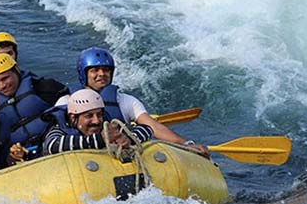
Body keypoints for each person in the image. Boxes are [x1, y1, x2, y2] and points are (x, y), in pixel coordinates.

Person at [76, 47, 208, 155]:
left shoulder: (126, 101)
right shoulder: (70, 102)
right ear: (84, 74)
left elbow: (153, 126)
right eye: (95, 70)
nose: (101, 74)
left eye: (106, 70)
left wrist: (186, 144)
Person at [0, 53, 68, 152]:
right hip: (20, 155)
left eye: (5, 78)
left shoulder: (44, 87)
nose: (2, 86)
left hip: (54, 145)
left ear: (17, 70)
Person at [42, 89, 154, 156]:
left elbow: (147, 129)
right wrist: (101, 140)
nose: (96, 121)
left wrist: (128, 139)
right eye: (89, 116)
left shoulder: (107, 126)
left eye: (99, 115)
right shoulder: (59, 128)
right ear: (73, 117)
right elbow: (52, 145)